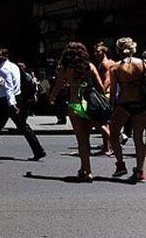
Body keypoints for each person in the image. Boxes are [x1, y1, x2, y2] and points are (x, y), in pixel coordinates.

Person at [49, 42, 107, 182]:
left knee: (82, 140)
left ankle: (86, 170)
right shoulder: (89, 66)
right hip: (88, 105)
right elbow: (100, 87)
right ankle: (86, 168)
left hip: (75, 105)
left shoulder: (65, 69)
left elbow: (57, 86)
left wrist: (52, 97)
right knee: (91, 135)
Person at [0, 49, 46, 161]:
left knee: (1, 127)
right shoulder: (14, 66)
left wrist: (12, 104)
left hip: (6, 102)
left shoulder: (4, 69)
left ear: (5, 56)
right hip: (15, 99)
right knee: (18, 126)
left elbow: (8, 88)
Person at [108, 38, 145, 182]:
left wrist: (110, 109)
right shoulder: (142, 64)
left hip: (124, 104)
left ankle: (120, 165)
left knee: (114, 134)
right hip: (141, 104)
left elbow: (112, 93)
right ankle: (140, 171)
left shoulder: (115, 68)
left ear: (118, 50)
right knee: (138, 137)